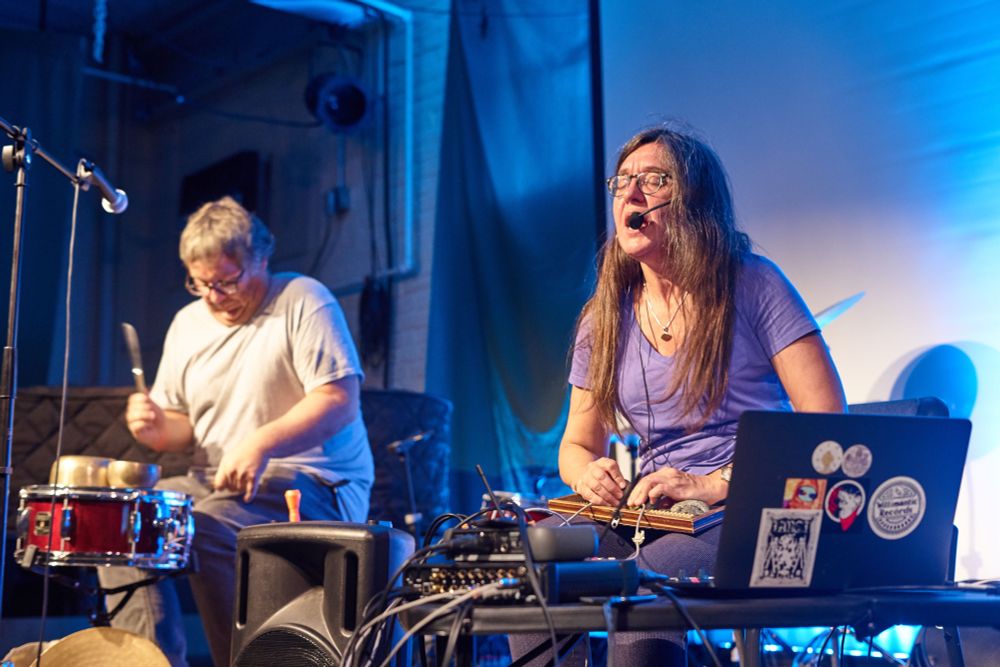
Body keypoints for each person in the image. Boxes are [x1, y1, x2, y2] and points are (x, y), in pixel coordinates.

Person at [509, 125, 847, 665]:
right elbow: (575, 445)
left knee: (648, 581)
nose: (632, 195)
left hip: (756, 505)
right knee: (537, 568)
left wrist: (711, 484)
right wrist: (586, 474)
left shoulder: (754, 283)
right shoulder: (604, 317)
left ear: (695, 201)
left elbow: (827, 424)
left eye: (653, 181)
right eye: (622, 183)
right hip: (659, 512)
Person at [100, 196, 373, 667]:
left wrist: (261, 442)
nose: (214, 295)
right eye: (200, 283)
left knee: (202, 528)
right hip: (217, 483)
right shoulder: (187, 323)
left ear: (261, 258)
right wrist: (154, 426)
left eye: (227, 281)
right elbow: (181, 430)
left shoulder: (302, 299)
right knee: (124, 523)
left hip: (314, 481)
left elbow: (339, 400)